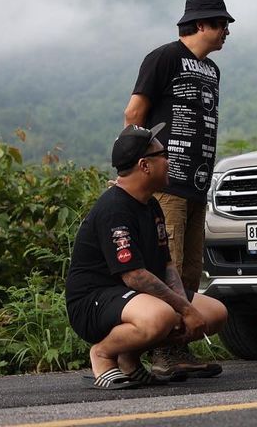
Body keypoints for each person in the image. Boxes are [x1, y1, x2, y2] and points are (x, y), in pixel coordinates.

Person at [65, 123, 227, 389]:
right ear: (144, 165)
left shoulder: (150, 203)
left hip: (133, 298)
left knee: (214, 313)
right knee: (162, 316)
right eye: (163, 155)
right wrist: (183, 309)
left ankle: (130, 357)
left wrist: (185, 307)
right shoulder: (114, 208)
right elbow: (133, 275)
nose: (168, 160)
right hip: (95, 300)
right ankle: (104, 354)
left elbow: (166, 264)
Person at [123, 0, 233, 379]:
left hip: (196, 183)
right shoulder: (165, 56)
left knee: (188, 270)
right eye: (221, 24)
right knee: (164, 264)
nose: (225, 32)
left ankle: (177, 348)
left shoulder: (212, 71)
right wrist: (136, 169)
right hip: (166, 184)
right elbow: (134, 113)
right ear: (200, 24)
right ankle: (153, 352)